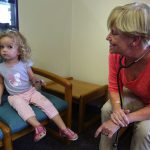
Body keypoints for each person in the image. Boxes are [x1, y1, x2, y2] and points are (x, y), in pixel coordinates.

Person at [0, 29, 78, 142]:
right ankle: (38, 127)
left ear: (19, 51)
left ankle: (63, 128)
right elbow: (1, 83)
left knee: (47, 103)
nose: (4, 50)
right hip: (15, 96)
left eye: (9, 47)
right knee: (20, 106)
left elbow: (32, 78)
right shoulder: (1, 67)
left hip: (30, 91)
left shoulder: (24, 64)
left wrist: (37, 81)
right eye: (1, 47)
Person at [95, 2, 150, 150]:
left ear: (135, 40)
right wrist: (118, 110)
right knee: (108, 109)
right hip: (140, 98)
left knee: (145, 131)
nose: (107, 37)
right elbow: (114, 85)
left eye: (114, 33)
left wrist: (121, 120)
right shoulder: (116, 54)